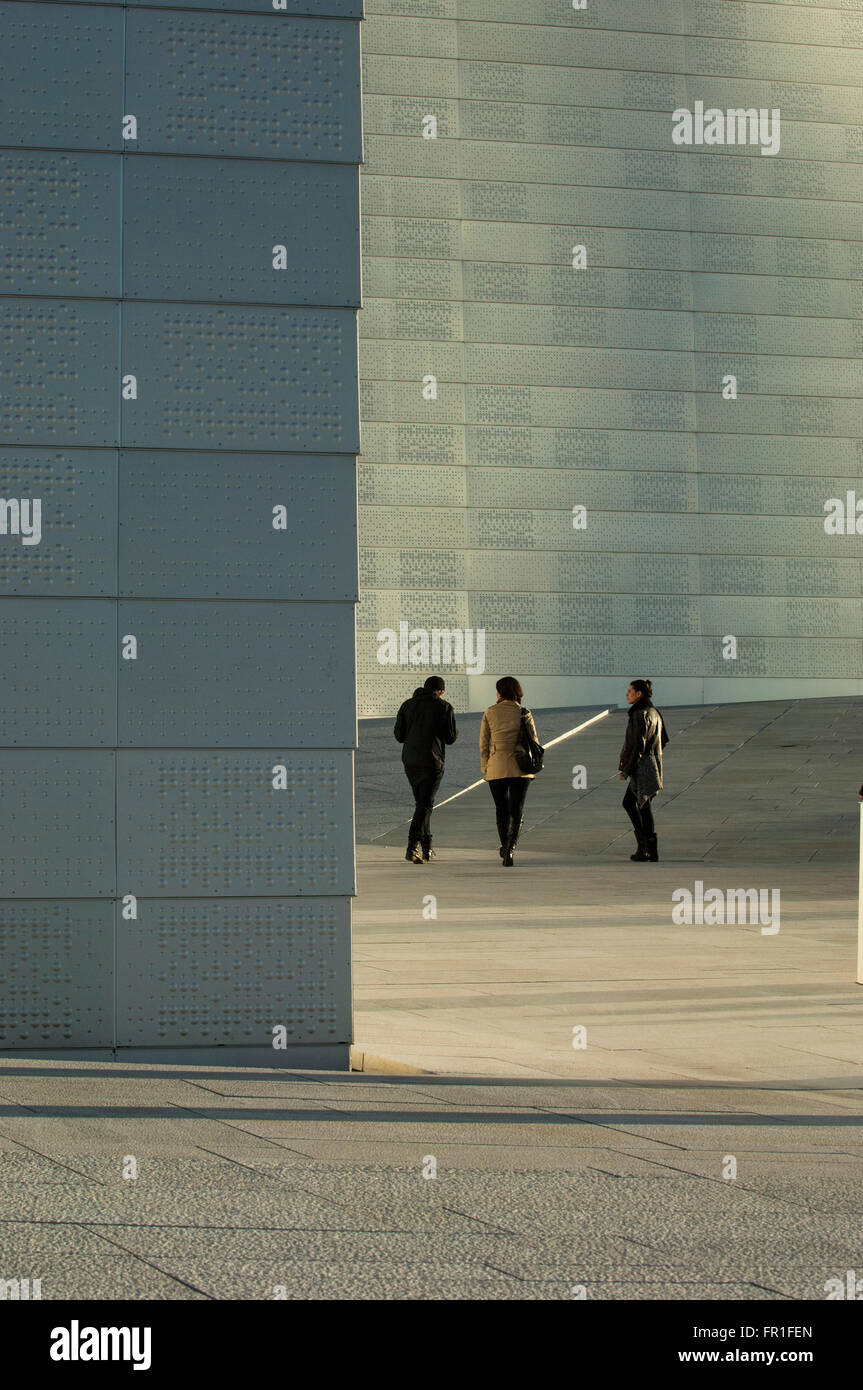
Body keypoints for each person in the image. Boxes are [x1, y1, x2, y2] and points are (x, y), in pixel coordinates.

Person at [394, 675, 458, 864]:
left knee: (422, 805)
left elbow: (399, 735)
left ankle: (427, 848)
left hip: (410, 760)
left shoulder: (407, 705)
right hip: (432, 761)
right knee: (425, 805)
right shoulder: (444, 707)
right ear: (440, 691)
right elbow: (451, 737)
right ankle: (412, 847)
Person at [479, 676, 540, 868]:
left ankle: (505, 846)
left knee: (501, 809)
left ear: (499, 692)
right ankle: (511, 850)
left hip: (496, 767)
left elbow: (483, 743)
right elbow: (534, 741)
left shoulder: (490, 712)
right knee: (516, 809)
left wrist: (485, 766)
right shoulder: (524, 713)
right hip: (520, 768)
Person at [618, 679, 669, 862]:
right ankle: (645, 847)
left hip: (642, 766)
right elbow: (663, 739)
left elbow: (638, 745)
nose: (627, 694)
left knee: (642, 805)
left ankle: (647, 848)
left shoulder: (640, 714)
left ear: (639, 693)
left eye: (630, 691)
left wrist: (626, 769)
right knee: (633, 803)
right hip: (653, 763)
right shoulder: (654, 712)